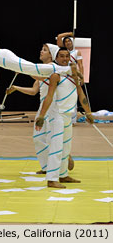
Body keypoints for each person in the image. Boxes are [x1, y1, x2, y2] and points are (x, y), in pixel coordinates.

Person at [7, 44, 75, 174]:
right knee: (38, 138)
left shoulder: (53, 68)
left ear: (52, 55)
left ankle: (62, 160)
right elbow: (34, 91)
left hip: (52, 108)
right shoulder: (41, 69)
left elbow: (39, 75)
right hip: (43, 107)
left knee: (51, 139)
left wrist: (22, 70)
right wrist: (16, 88)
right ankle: (47, 166)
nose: (41, 51)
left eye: (45, 50)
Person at [35, 48, 93, 188]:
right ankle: (52, 179)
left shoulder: (74, 76)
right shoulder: (56, 76)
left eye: (67, 56)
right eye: (61, 56)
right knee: (56, 147)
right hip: (57, 116)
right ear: (56, 58)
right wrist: (42, 115)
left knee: (66, 147)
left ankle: (63, 175)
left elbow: (81, 95)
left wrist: (88, 113)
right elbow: (49, 97)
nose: (65, 59)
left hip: (68, 116)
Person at [57, 32, 85, 124]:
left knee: (73, 96)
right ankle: (61, 118)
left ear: (72, 42)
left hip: (73, 76)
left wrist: (82, 78)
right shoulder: (62, 51)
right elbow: (60, 36)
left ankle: (72, 120)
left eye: (70, 41)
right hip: (62, 75)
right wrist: (70, 33)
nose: (68, 43)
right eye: (66, 42)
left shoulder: (77, 52)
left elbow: (80, 65)